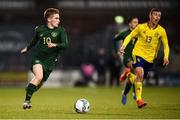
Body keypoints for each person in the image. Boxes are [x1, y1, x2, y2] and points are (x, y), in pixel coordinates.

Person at [120, 8, 170, 108]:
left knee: (139, 78)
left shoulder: (161, 31)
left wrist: (166, 57)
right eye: (155, 15)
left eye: (159, 15)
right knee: (140, 73)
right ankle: (139, 100)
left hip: (150, 59)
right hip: (138, 54)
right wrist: (123, 46)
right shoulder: (140, 27)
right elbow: (129, 36)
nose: (157, 17)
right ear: (150, 16)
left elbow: (166, 45)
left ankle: (128, 74)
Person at [20, 8, 68, 110]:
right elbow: (34, 40)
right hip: (38, 58)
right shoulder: (39, 29)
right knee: (39, 76)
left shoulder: (61, 31)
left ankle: (30, 89)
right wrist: (27, 48)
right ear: (49, 19)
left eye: (58, 18)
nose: (59, 20)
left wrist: (55, 45)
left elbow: (65, 45)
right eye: (56, 18)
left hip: (50, 61)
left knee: (38, 84)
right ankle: (26, 101)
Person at [113, 16, 139, 105]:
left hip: (137, 57)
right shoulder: (124, 34)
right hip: (127, 58)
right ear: (130, 24)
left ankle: (124, 93)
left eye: (137, 22)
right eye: (134, 22)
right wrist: (115, 51)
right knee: (135, 70)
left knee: (132, 78)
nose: (136, 24)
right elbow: (114, 39)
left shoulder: (140, 34)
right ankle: (135, 92)